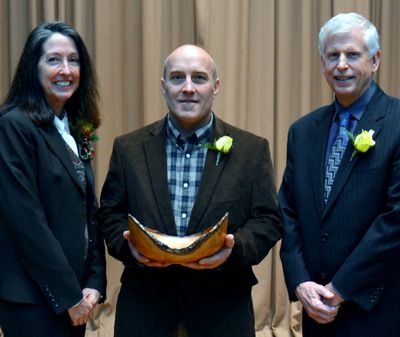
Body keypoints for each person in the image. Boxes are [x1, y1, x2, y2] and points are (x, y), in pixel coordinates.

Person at [98, 44, 282, 337]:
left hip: (222, 311)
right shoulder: (128, 148)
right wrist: (128, 247)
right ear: (163, 86)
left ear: (215, 86)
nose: (187, 88)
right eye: (177, 77)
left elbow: (268, 220)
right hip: (146, 310)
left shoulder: (251, 150)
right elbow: (110, 213)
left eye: (198, 78)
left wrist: (233, 249)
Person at [279, 12, 400, 337]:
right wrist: (301, 281)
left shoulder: (397, 121)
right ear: (322, 63)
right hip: (316, 311)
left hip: (380, 310)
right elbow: (288, 213)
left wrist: (340, 288)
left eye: (352, 55)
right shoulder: (302, 131)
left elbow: (396, 220)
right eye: (333, 56)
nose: (341, 65)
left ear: (375, 60)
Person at [0, 22, 106, 337]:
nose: (66, 70)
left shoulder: (72, 127)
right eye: (54, 60)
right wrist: (68, 296)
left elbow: (89, 212)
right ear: (33, 68)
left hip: (75, 297)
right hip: (32, 300)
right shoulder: (13, 126)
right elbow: (25, 222)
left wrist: (93, 282)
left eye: (73, 60)